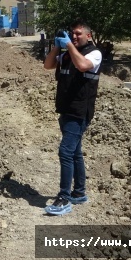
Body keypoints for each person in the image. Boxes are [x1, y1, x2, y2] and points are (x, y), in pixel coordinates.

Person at [43, 21, 102, 215]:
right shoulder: (66, 54)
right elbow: (48, 65)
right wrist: (57, 46)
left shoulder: (94, 53)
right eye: (71, 34)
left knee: (65, 152)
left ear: (88, 36)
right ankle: (79, 193)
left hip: (79, 112)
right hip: (65, 110)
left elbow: (83, 65)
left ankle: (64, 198)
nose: (74, 37)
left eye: (78, 34)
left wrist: (68, 45)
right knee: (75, 153)